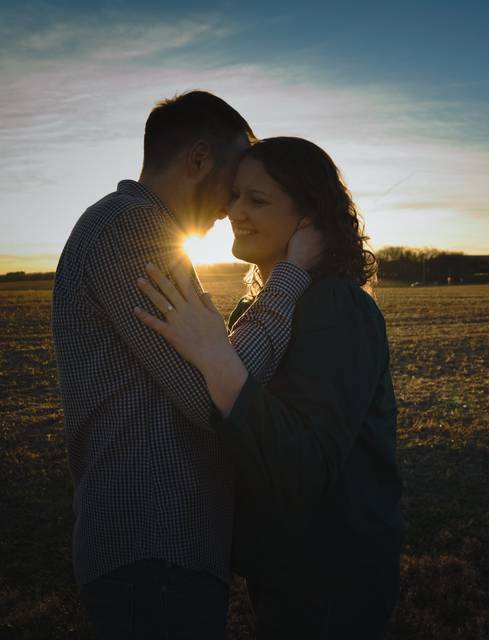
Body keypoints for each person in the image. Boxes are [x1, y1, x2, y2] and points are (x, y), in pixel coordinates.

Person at [52, 93, 323, 639]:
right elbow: (212, 392)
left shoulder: (141, 230)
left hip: (163, 555)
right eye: (234, 180)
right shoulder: (129, 231)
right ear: (199, 160)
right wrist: (292, 275)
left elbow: (213, 361)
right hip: (152, 548)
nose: (233, 203)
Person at [134, 137, 403, 639]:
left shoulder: (337, 308)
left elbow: (307, 461)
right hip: (284, 568)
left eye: (257, 200)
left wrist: (218, 361)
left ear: (310, 219)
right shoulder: (255, 311)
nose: (234, 211)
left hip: (334, 573)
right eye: (234, 196)